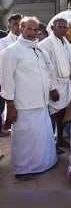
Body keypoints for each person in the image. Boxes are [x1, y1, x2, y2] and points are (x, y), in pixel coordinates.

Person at [0, 16, 57, 177]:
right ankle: (23, 170)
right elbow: (6, 80)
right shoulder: (10, 51)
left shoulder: (39, 50)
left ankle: (43, 164)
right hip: (22, 104)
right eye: (29, 29)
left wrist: (52, 88)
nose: (33, 32)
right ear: (21, 28)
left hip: (41, 101)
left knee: (41, 137)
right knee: (25, 139)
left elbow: (48, 70)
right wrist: (10, 105)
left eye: (36, 29)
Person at [39, 17, 71, 151]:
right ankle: (50, 143)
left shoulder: (65, 42)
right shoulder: (45, 44)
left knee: (62, 113)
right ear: (52, 28)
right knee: (51, 114)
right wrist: (52, 89)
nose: (63, 29)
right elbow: (45, 69)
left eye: (65, 27)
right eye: (60, 27)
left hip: (65, 83)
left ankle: (60, 139)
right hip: (54, 85)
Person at [0, 13, 22, 137]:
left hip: (21, 83)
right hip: (4, 81)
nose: (18, 27)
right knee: (1, 107)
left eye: (20, 24)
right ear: (9, 25)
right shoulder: (3, 42)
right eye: (15, 24)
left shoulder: (28, 42)